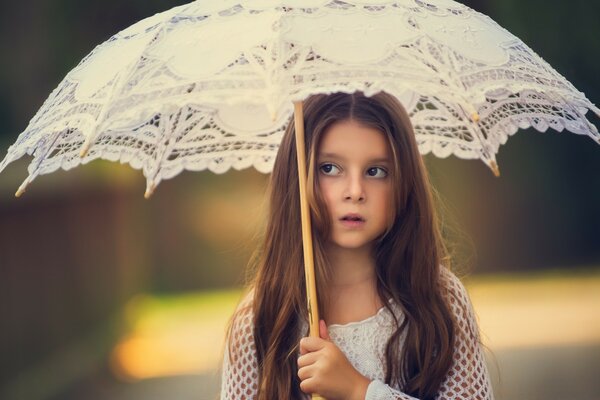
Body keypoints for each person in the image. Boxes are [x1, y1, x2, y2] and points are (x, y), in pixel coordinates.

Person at [220, 91, 494, 400]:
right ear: (296, 176)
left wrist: (358, 390)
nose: (355, 191)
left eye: (375, 171)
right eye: (329, 168)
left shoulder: (438, 298)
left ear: (404, 183)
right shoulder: (261, 317)